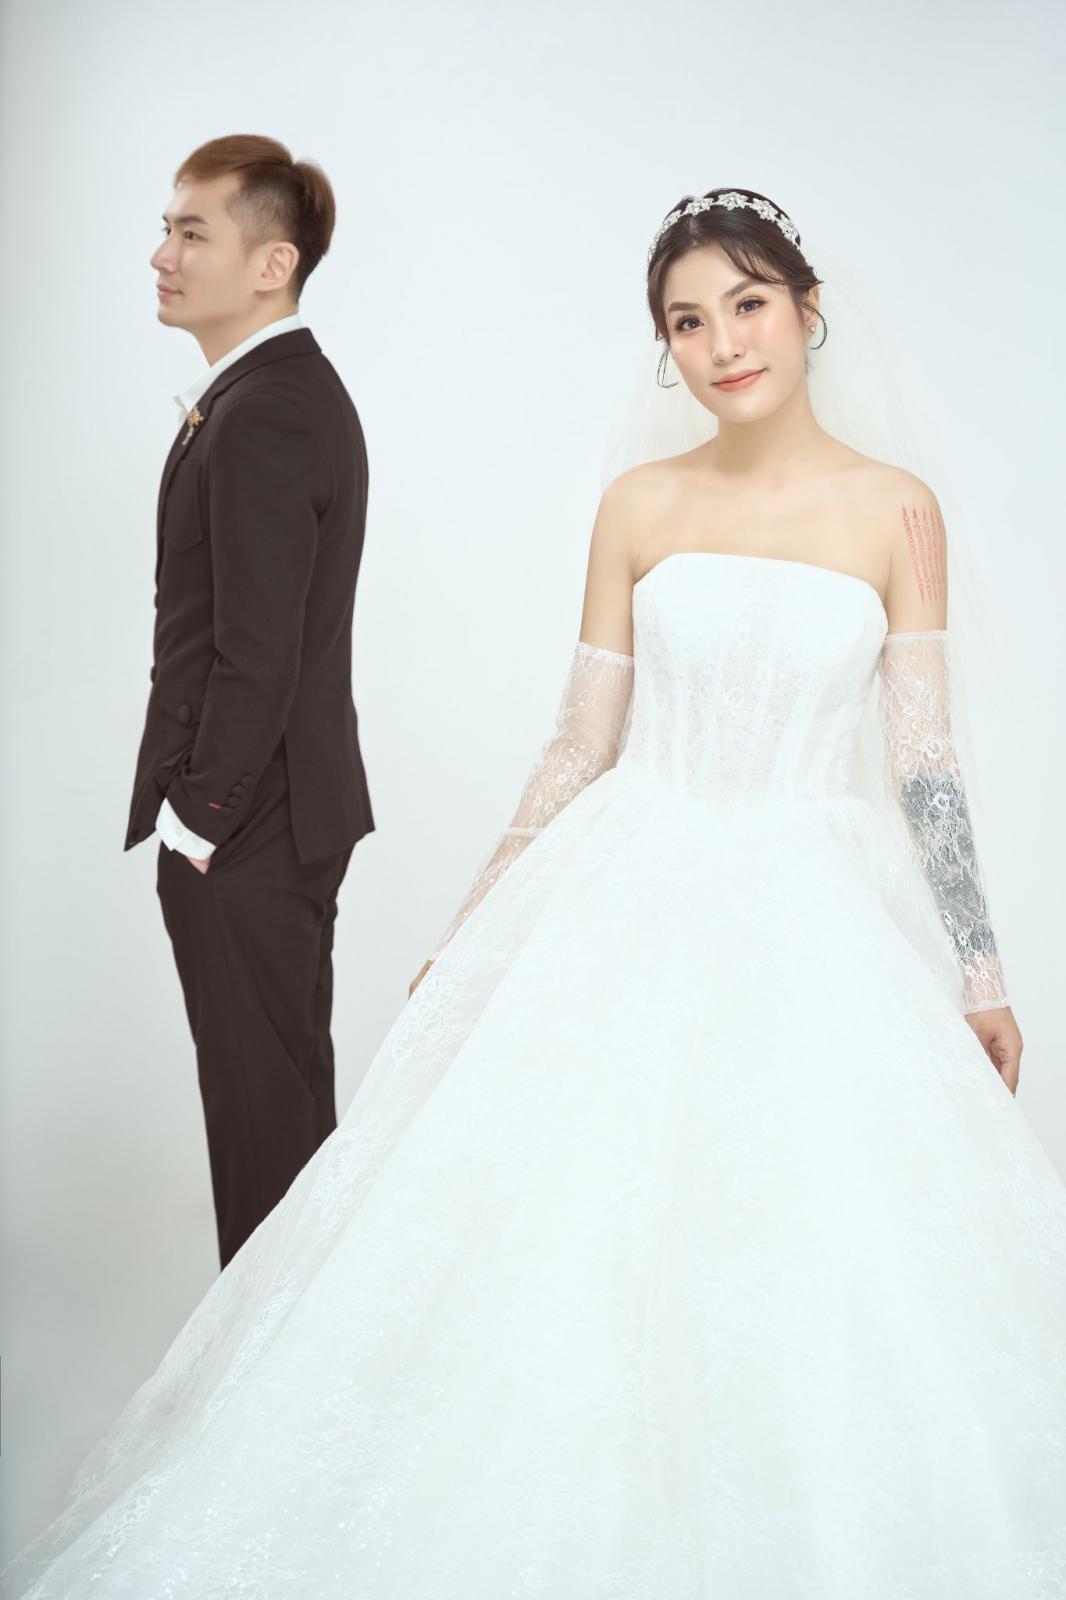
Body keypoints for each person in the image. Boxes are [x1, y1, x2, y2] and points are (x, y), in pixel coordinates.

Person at [7, 187, 1065, 1598]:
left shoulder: (896, 511)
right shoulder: (640, 503)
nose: (722, 343)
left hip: (810, 911)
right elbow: (580, 740)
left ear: (807, 311)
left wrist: (979, 970)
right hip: (632, 881)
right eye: (685, 321)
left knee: (814, 1243)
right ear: (664, 348)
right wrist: (474, 925)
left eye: (748, 305)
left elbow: (922, 757)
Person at [124, 135, 374, 1269]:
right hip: (273, 819)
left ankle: (274, 1376)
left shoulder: (267, 409)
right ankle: (300, 1365)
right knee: (280, 1129)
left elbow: (255, 654)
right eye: (166, 230)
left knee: (266, 1146)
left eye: (192, 233)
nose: (163, 255)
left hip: (251, 828)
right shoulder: (266, 395)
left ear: (273, 265)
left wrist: (198, 820)